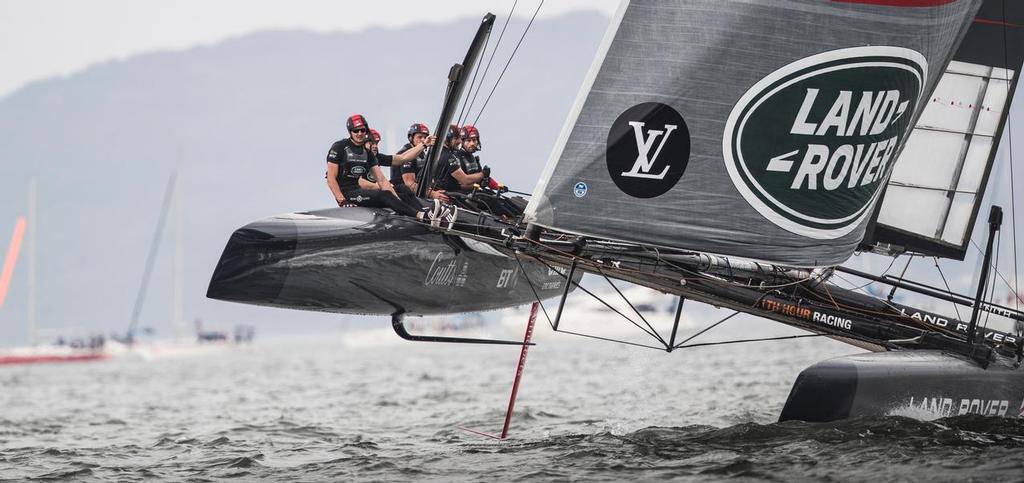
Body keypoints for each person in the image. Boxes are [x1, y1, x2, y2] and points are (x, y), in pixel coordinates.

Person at [326, 114, 446, 223]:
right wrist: (342, 201)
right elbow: (331, 178)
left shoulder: (368, 154)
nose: (359, 133)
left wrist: (398, 200)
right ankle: (420, 215)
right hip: (346, 194)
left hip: (359, 191)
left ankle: (427, 216)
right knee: (384, 195)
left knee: (402, 192)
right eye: (355, 131)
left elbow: (383, 180)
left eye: (362, 130)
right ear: (350, 132)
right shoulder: (340, 147)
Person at [394, 123, 449, 201]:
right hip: (402, 197)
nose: (423, 140)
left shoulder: (422, 154)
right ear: (410, 138)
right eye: (420, 137)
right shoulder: (406, 153)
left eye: (425, 137)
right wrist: (432, 194)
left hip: (418, 195)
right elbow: (409, 184)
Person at [441, 125, 501, 194]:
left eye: (474, 140)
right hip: (462, 196)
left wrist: (497, 186)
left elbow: (484, 179)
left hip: (473, 193)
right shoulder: (455, 157)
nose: (472, 143)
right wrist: (481, 179)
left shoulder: (474, 159)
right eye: (468, 140)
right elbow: (462, 183)